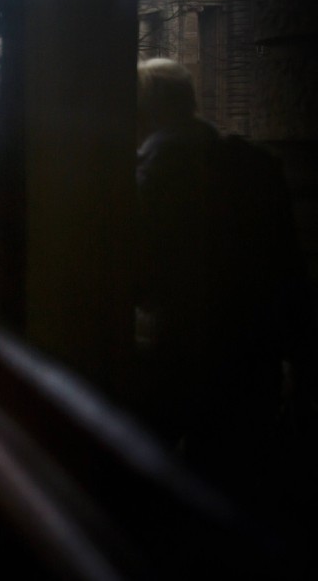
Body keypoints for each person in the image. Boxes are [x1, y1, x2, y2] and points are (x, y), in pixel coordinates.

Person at [132, 57, 314, 522]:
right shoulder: (257, 163)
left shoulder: (148, 173)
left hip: (176, 353)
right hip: (254, 357)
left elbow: (136, 271)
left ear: (144, 109)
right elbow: (287, 268)